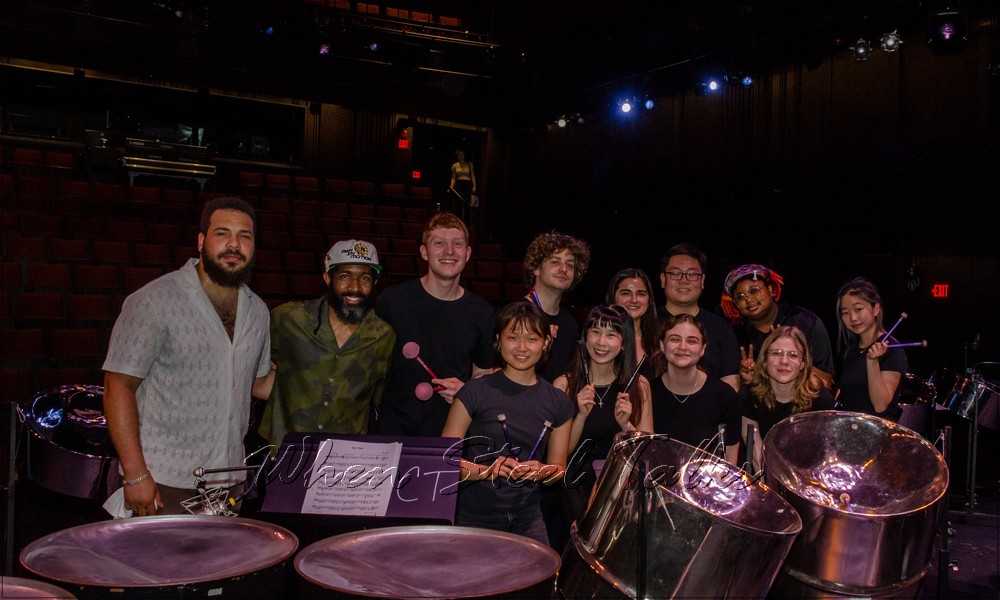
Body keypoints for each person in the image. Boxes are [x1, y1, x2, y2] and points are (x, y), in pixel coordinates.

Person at [103, 197, 271, 516]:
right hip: (164, 481)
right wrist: (136, 472)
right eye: (223, 233)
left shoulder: (258, 311)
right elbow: (118, 386)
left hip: (228, 482)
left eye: (245, 236)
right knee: (153, 567)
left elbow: (258, 382)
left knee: (221, 568)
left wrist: (324, 379)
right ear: (201, 240)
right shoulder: (155, 301)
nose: (234, 244)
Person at [441, 301, 575, 546]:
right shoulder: (475, 391)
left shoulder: (559, 403)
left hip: (528, 517)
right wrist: (486, 471)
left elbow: (558, 469)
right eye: (513, 337)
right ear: (499, 340)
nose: (522, 347)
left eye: (532, 339)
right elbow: (445, 460)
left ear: (546, 343)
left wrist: (541, 471)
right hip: (474, 515)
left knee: (539, 581)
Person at [254, 239, 395, 446]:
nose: (355, 287)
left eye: (364, 277)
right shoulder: (287, 318)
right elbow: (257, 372)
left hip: (344, 457)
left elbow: (379, 399)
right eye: (345, 276)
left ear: (375, 283)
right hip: (283, 450)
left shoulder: (383, 336)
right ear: (327, 278)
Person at [375, 212, 495, 436]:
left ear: (467, 253)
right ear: (424, 252)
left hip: (450, 431)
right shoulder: (392, 301)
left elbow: (482, 373)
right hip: (391, 428)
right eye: (439, 243)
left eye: (457, 244)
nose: (449, 251)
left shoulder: (482, 311)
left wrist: (466, 391)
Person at [553, 304, 653, 518]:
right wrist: (580, 416)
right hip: (572, 490)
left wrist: (627, 426)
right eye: (595, 332)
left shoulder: (639, 385)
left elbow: (647, 454)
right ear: (585, 337)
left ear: (624, 343)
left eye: (611, 334)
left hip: (619, 492)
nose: (601, 342)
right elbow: (559, 455)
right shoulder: (564, 385)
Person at [740, 326, 836, 472]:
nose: (784, 361)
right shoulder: (748, 395)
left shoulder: (821, 399)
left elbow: (826, 455)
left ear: (803, 363)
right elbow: (757, 458)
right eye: (777, 353)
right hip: (767, 479)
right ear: (765, 360)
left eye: (793, 355)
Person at [723, 263, 834, 388]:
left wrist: (777, 368)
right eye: (740, 297)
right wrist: (749, 378)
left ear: (770, 289)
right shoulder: (735, 335)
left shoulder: (805, 322)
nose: (748, 299)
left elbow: (825, 379)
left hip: (807, 404)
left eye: (754, 291)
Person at [651, 314, 741, 465]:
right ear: (662, 345)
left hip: (707, 486)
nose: (683, 347)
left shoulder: (724, 395)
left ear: (702, 349)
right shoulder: (649, 393)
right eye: (674, 339)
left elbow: (731, 464)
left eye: (692, 341)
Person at [658, 243, 740, 390]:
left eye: (692, 274)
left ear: (702, 281)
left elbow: (730, 385)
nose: (684, 280)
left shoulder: (721, 328)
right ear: (663, 279)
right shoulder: (646, 323)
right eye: (675, 273)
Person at [522, 231, 591, 382]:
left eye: (570, 265)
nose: (564, 269)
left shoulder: (570, 324)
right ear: (536, 268)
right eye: (555, 262)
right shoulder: (516, 315)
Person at [835, 277, 907, 418]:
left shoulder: (892, 349)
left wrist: (872, 361)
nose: (853, 317)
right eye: (845, 313)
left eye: (858, 309)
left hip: (879, 434)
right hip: (852, 431)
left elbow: (880, 405)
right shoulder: (851, 349)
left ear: (876, 309)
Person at [606, 268, 659, 364]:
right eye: (626, 293)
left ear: (649, 300)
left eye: (641, 294)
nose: (634, 300)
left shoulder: (659, 342)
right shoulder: (599, 340)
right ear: (613, 297)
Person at [449, 149, 477, 221]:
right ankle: (457, 220)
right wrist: (451, 187)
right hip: (458, 184)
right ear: (457, 156)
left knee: (467, 203)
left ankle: (466, 222)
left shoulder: (469, 164)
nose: (460, 156)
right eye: (459, 155)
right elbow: (453, 178)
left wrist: (474, 186)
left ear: (464, 155)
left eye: (462, 154)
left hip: (467, 184)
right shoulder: (454, 165)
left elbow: (473, 175)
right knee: (457, 204)